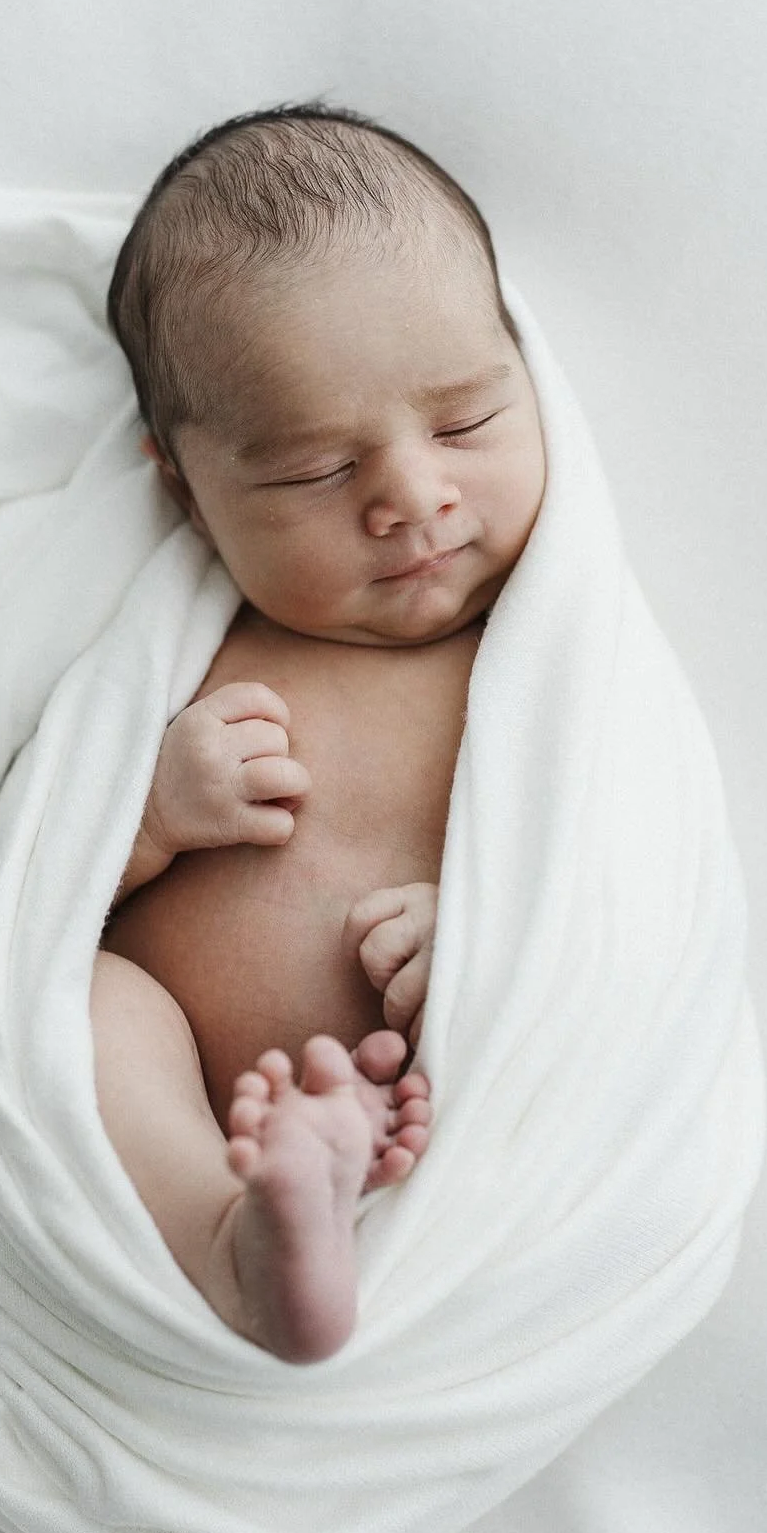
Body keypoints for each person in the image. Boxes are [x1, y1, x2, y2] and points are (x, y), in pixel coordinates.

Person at [93, 102, 546, 1363]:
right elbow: (23, 884)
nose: (412, 495)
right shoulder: (178, 649)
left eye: (465, 424)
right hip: (191, 1090)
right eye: (312, 471)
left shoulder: (541, 660)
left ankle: (316, 1219)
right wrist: (141, 814)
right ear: (187, 490)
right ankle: (231, 1238)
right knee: (83, 1011)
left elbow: (620, 870)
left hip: (434, 1078)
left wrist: (496, 931)